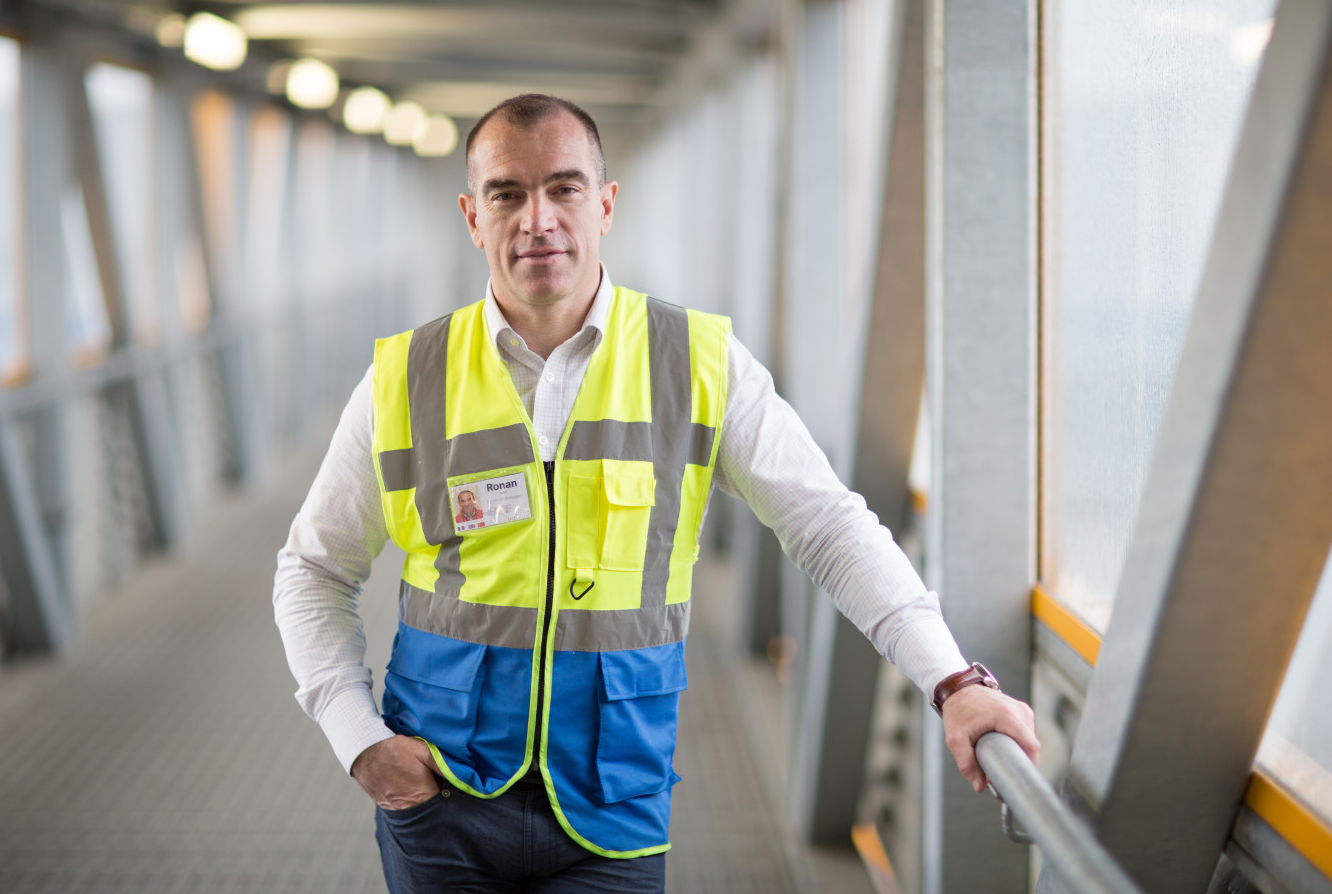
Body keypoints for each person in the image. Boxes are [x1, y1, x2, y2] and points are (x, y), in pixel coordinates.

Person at [273, 93, 1039, 893]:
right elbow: (312, 570)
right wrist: (359, 739)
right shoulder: (406, 375)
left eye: (564, 189)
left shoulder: (698, 362)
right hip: (440, 802)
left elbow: (828, 526)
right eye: (507, 193)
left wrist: (952, 681)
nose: (537, 219)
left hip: (612, 808)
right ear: (472, 216)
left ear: (605, 205)